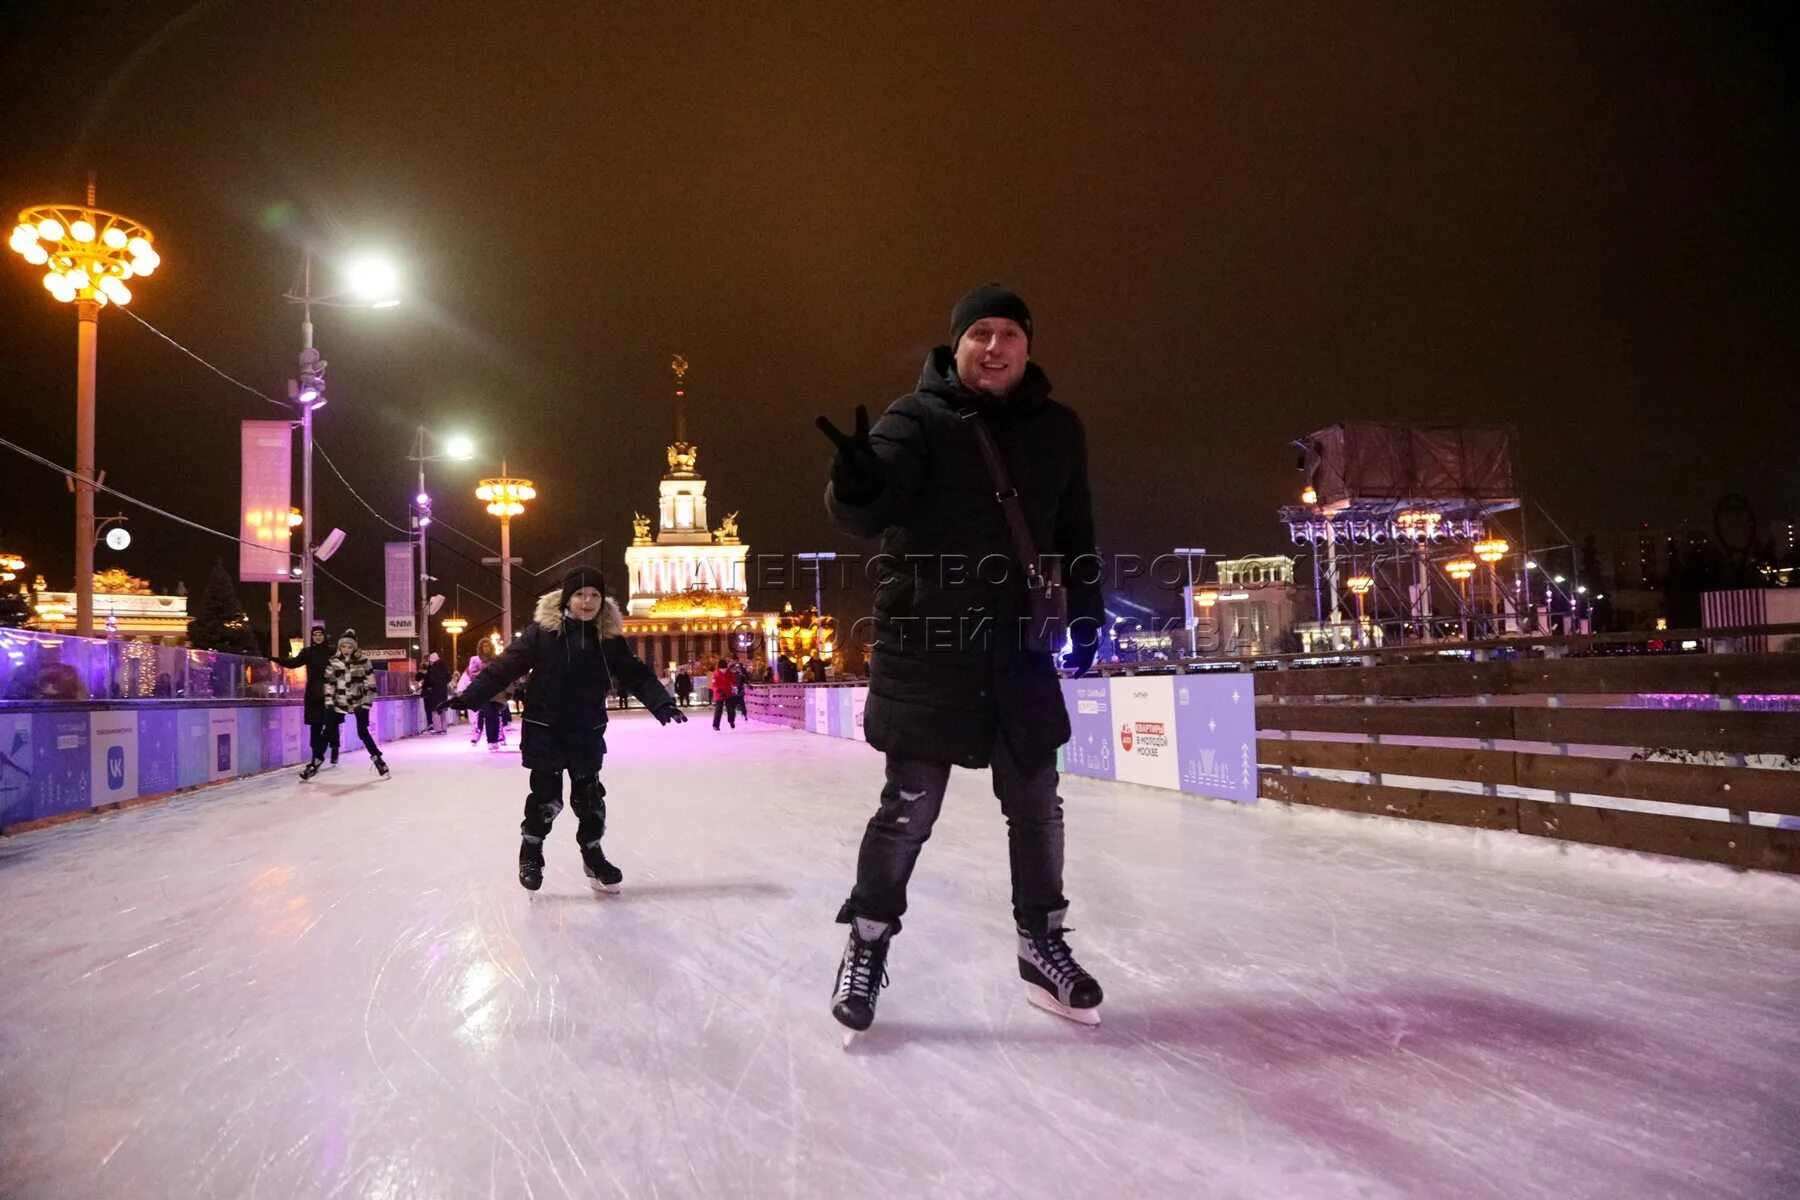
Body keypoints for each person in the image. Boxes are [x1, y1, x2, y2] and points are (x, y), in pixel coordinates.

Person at [814, 284, 1106, 1037]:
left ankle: (1042, 945)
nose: (996, 345)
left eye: (1010, 332)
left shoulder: (1058, 429)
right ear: (957, 346)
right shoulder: (917, 419)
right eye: (981, 332)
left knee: (1037, 804)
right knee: (909, 808)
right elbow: (870, 507)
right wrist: (855, 483)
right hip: (929, 645)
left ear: (1028, 347)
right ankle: (868, 943)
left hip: (1017, 647)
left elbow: (1074, 532)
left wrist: (1087, 610)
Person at [445, 566, 685, 893]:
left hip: (586, 732)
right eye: (580, 595)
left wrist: (661, 702)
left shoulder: (608, 640)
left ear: (602, 600)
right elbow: (505, 666)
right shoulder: (542, 632)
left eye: (594, 595)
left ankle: (592, 854)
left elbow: (636, 674)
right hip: (546, 730)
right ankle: (531, 851)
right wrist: (470, 697)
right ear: (568, 598)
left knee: (590, 801)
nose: (587, 601)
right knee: (546, 799)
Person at [319, 629, 389, 779]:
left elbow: (371, 685)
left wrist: (366, 704)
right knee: (328, 730)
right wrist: (329, 704)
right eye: (343, 646)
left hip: (359, 702)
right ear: (340, 647)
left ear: (355, 647)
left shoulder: (364, 661)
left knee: (362, 731)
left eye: (349, 647)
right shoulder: (333, 662)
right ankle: (316, 761)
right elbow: (328, 684)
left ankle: (378, 759)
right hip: (339, 702)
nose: (346, 650)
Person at [273, 625, 340, 778]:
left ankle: (335, 748)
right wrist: (278, 661)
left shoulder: (331, 651)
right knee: (315, 725)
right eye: (315, 635)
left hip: (330, 691)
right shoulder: (307, 652)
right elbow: (294, 662)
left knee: (331, 723)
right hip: (313, 693)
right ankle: (315, 756)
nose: (317, 637)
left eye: (320, 635)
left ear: (324, 636)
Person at [421, 652, 451, 734]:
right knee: (442, 709)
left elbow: (431, 680)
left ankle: (438, 729)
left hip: (435, 692)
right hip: (443, 691)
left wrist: (430, 686)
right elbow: (449, 677)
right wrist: (443, 683)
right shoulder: (444, 667)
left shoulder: (433, 668)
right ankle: (444, 728)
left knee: (435, 710)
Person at [709, 659, 737, 730]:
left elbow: (733, 680)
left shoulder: (729, 673)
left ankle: (731, 721)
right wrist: (719, 691)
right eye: (722, 669)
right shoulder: (716, 674)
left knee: (731, 709)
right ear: (719, 668)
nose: (724, 670)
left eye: (725, 668)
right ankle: (715, 725)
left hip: (728, 693)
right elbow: (714, 685)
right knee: (719, 710)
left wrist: (735, 682)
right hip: (719, 694)